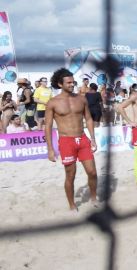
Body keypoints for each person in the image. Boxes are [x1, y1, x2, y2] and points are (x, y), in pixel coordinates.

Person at [44, 68, 98, 211]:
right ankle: (72, 205)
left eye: (73, 82)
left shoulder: (81, 98)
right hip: (66, 141)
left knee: (92, 172)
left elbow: (88, 118)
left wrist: (93, 138)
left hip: (82, 139)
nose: (72, 84)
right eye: (68, 82)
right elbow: (48, 126)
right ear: (60, 84)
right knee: (70, 175)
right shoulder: (52, 103)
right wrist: (50, 149)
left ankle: (93, 197)